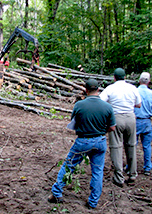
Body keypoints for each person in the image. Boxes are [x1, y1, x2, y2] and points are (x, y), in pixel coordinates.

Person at [48, 79, 116, 209]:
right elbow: (112, 127)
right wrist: (101, 131)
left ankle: (57, 193)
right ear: (98, 90)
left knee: (69, 165)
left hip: (83, 140)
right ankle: (93, 202)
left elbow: (74, 122)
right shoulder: (107, 107)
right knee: (97, 171)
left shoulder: (79, 105)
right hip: (100, 141)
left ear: (85, 90)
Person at [100, 68, 141, 187]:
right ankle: (132, 174)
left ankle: (119, 177)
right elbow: (138, 104)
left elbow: (102, 102)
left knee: (116, 147)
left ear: (114, 77)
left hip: (116, 117)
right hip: (130, 117)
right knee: (131, 145)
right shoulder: (132, 88)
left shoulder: (110, 88)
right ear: (125, 77)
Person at [134, 72, 152, 176]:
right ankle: (147, 168)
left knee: (132, 145)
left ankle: (131, 166)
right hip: (147, 122)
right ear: (149, 82)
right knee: (147, 146)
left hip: (135, 121)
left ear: (139, 81)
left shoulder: (134, 92)